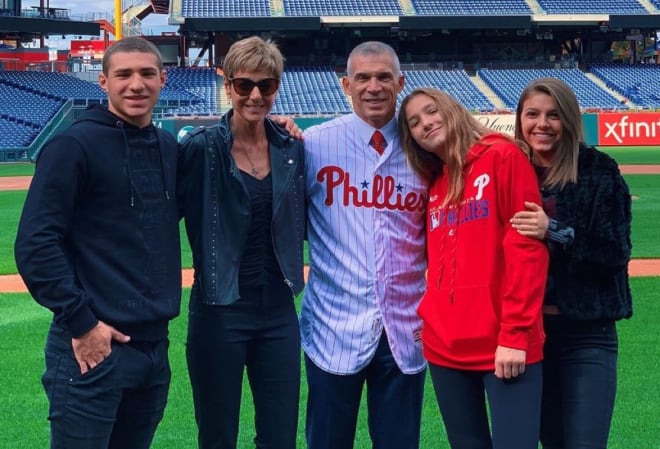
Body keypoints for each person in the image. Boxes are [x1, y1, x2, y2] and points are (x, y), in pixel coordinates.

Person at [14, 36, 180, 449]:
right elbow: (36, 243)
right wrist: (83, 323)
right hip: (92, 347)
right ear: (103, 82)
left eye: (146, 74)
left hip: (154, 348)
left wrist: (275, 125)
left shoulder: (167, 147)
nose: (135, 84)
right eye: (123, 75)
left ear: (163, 79)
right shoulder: (73, 146)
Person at [398, 87, 549, 449]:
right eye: (414, 123)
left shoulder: (502, 156)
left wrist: (514, 335)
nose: (425, 124)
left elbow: (526, 248)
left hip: (504, 345)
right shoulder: (434, 182)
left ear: (451, 109)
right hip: (444, 346)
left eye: (431, 111)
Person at [177, 36, 305, 449]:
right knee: (217, 436)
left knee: (281, 435)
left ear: (277, 87)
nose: (254, 95)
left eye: (266, 86)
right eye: (244, 85)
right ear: (227, 85)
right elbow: (160, 220)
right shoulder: (201, 148)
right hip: (219, 310)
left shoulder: (291, 148)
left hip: (278, 311)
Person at [300, 41, 428, 449]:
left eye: (384, 77)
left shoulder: (426, 150)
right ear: (345, 85)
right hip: (332, 325)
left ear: (400, 82)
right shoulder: (313, 144)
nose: (374, 86)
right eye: (363, 78)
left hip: (406, 329)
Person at [511, 78, 633, 449]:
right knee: (550, 440)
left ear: (569, 120)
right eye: (532, 114)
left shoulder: (598, 169)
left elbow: (615, 252)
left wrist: (555, 231)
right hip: (527, 336)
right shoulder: (509, 170)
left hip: (587, 334)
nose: (542, 124)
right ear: (520, 120)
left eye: (553, 115)